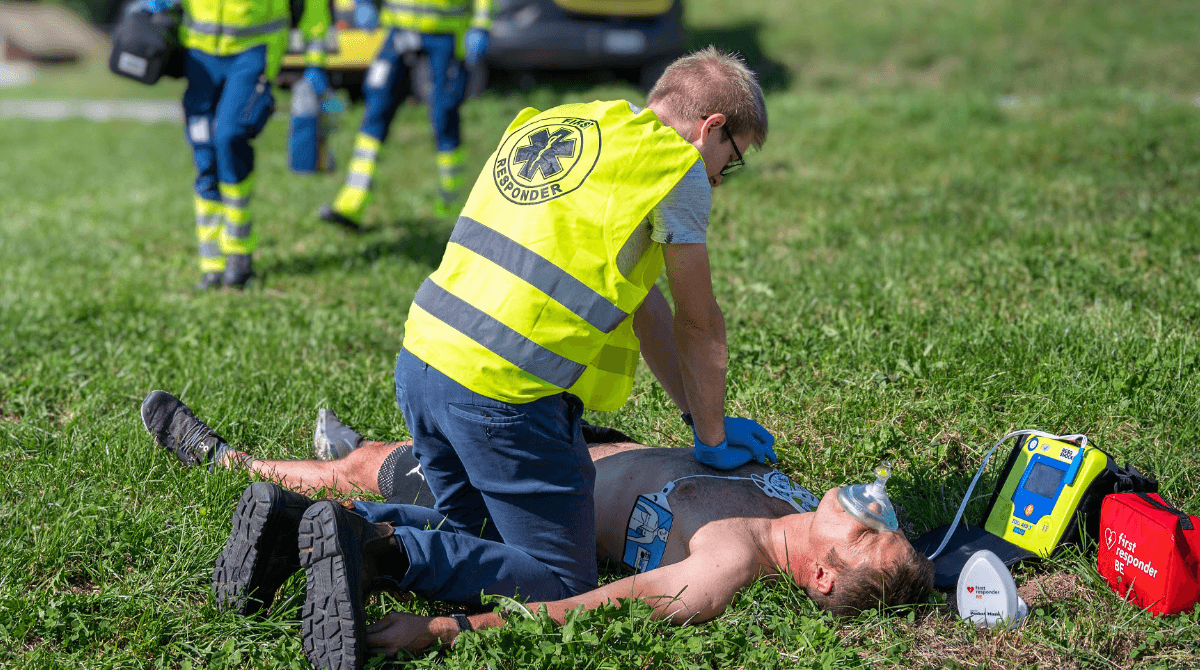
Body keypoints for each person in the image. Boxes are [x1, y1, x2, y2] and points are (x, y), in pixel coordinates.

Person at [138, 390, 934, 668]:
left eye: (871, 535)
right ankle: (322, 509)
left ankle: (231, 463)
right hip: (564, 447)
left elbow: (594, 606)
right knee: (386, 457)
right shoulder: (789, 498)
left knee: (376, 465)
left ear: (821, 577)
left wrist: (442, 630)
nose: (874, 512)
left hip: (520, 492)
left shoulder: (728, 561)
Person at [143, 0, 332, 289]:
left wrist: (316, 60)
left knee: (230, 135)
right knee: (204, 151)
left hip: (254, 50)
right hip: (200, 54)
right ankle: (212, 265)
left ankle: (239, 251)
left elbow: (314, 7)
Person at [317, 0, 495, 228]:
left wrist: (481, 25)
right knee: (377, 105)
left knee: (444, 115)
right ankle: (353, 200)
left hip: (446, 31)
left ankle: (452, 204)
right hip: (398, 28)